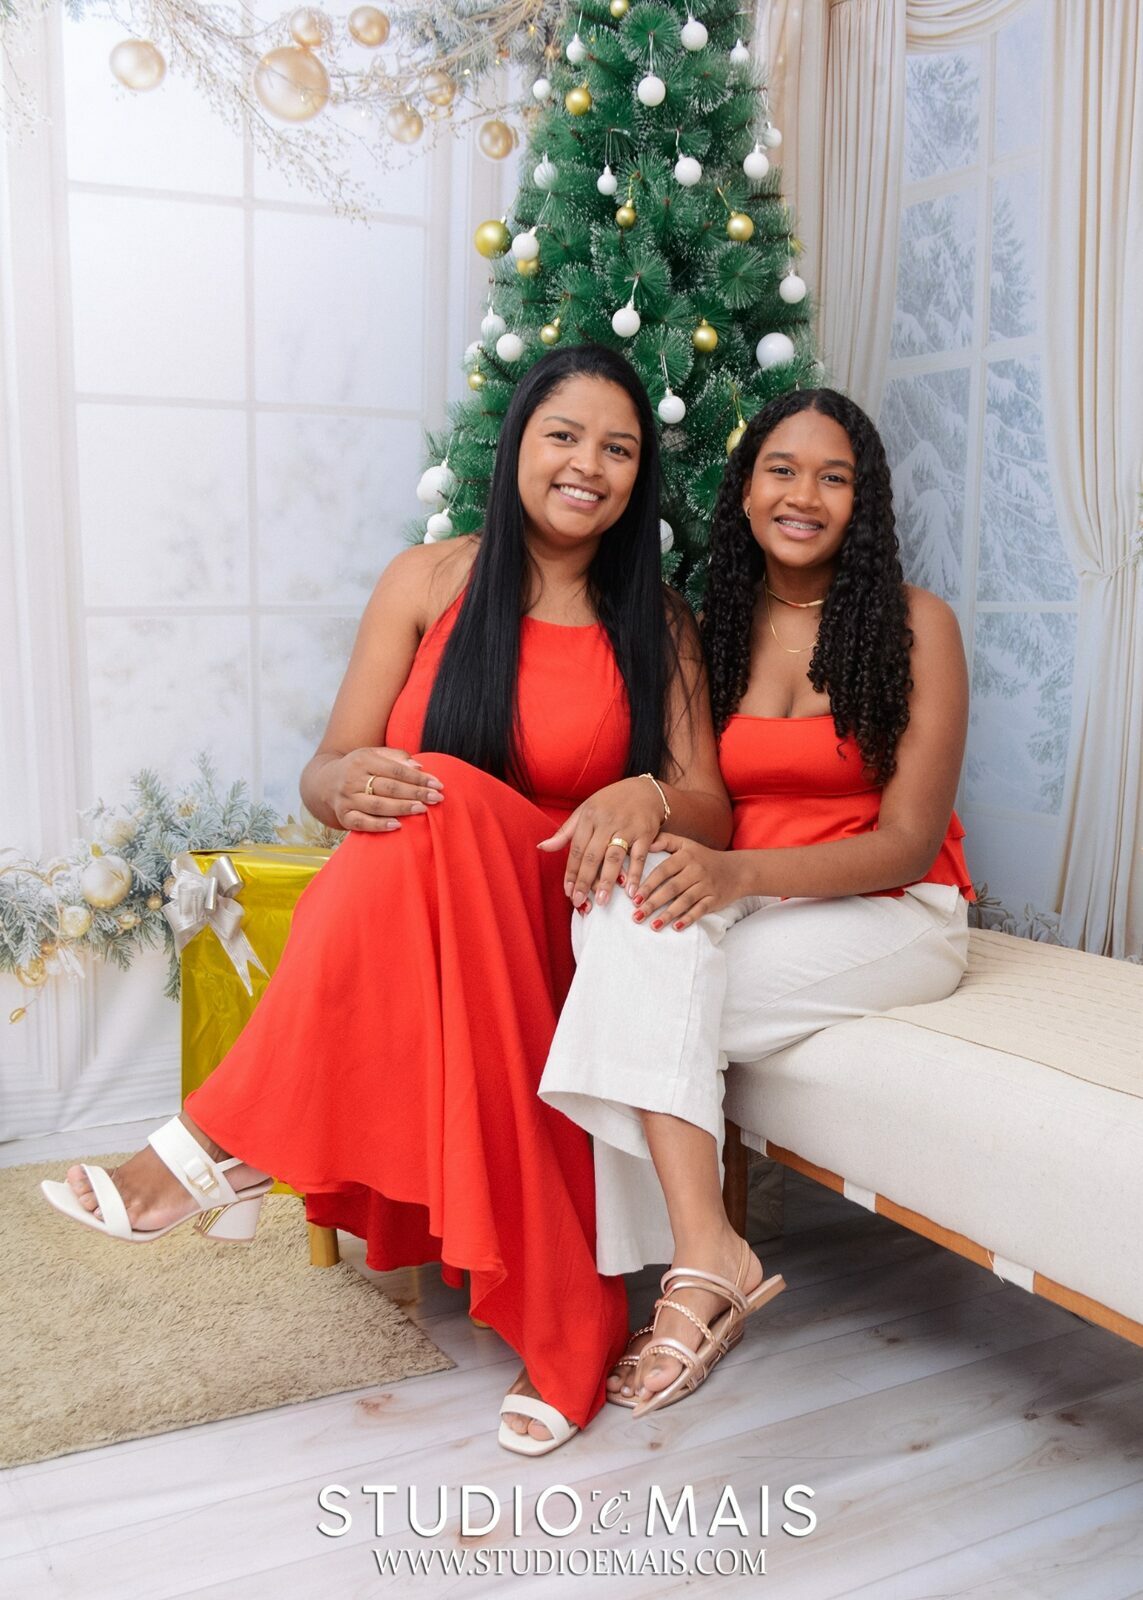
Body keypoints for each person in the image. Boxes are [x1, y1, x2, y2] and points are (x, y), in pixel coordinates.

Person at [41, 344, 731, 1456]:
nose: (588, 466)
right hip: (426, 916)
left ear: (636, 475)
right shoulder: (426, 582)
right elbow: (326, 772)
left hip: (561, 914)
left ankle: (221, 1145)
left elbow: (712, 812)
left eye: (617, 449)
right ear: (516, 444)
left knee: (435, 790)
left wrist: (646, 791)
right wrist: (343, 785)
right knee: (408, 807)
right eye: (564, 436)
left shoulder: (658, 620)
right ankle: (564, 1313)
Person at [541, 387, 973, 1418]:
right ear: (743, 491)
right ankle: (709, 1252)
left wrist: (736, 876)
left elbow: (907, 842)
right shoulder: (711, 628)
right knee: (622, 921)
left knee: (634, 999)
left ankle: (678, 1278)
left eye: (834, 477)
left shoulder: (918, 625)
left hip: (896, 912)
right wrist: (686, 851)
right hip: (751, 906)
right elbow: (698, 801)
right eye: (781, 470)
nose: (803, 496)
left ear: (862, 503)